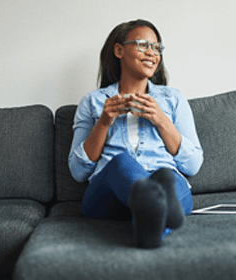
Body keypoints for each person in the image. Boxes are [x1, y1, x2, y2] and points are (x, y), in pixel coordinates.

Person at [68, 19, 203, 249]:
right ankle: (156, 203)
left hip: (163, 179)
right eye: (143, 45)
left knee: (167, 177)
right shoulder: (93, 102)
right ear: (119, 50)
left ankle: (150, 229)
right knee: (123, 163)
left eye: (157, 48)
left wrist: (161, 119)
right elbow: (78, 171)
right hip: (109, 195)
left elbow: (193, 165)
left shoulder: (173, 99)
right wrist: (103, 122)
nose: (153, 53)